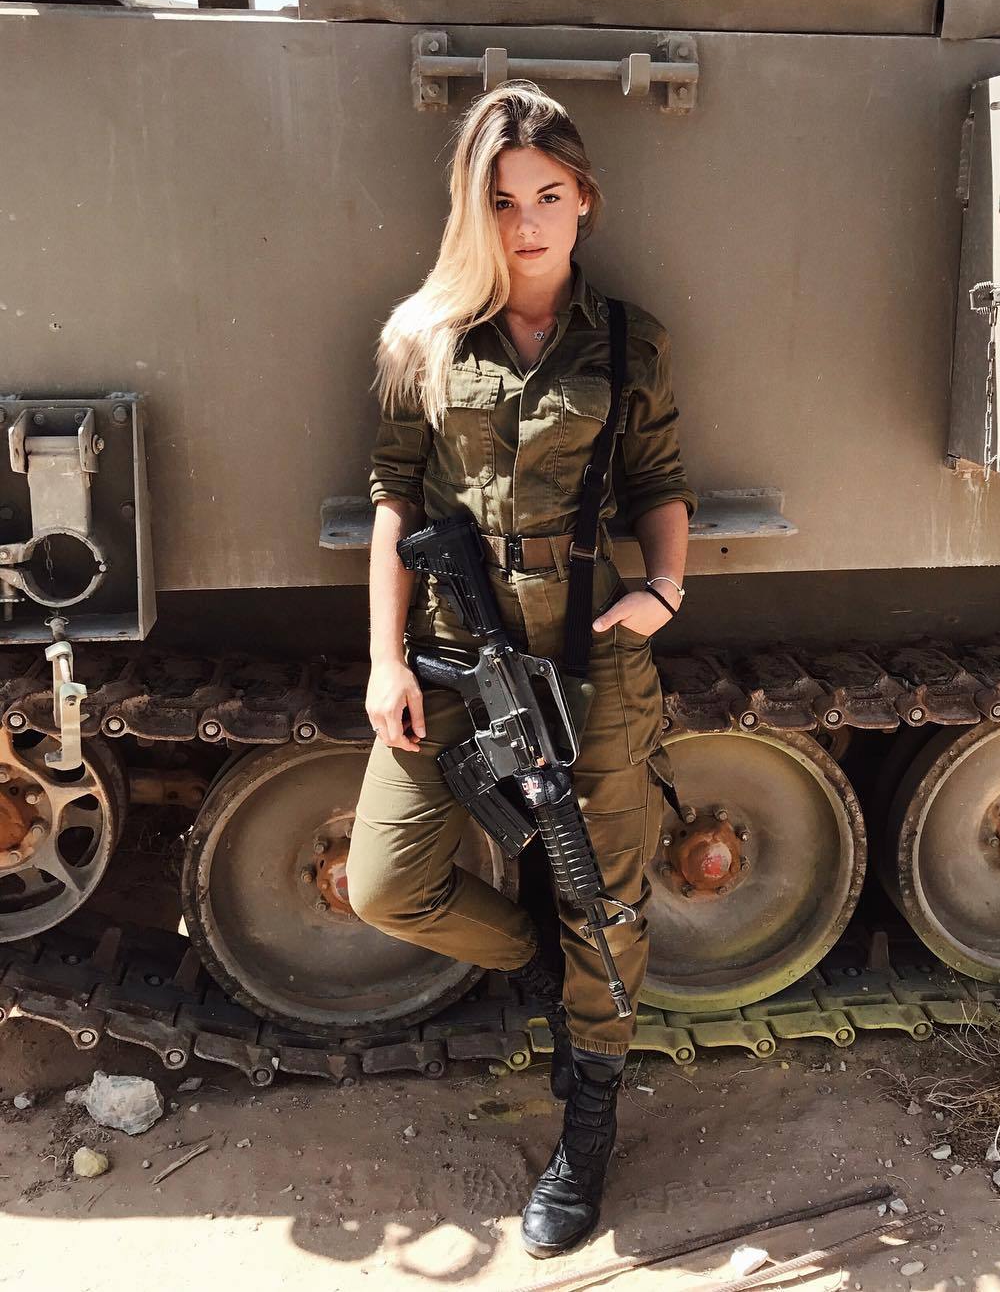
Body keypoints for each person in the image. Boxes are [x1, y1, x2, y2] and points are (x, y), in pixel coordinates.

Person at [347, 80, 697, 1259]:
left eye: (548, 194)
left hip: (592, 658)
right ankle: (548, 955)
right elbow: (394, 501)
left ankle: (587, 1124)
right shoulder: (424, 337)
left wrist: (666, 586)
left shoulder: (630, 339)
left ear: (585, 199)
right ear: (473, 211)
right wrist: (386, 659)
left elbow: (659, 480)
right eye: (501, 201)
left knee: (609, 898)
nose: (527, 221)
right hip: (456, 655)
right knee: (386, 882)